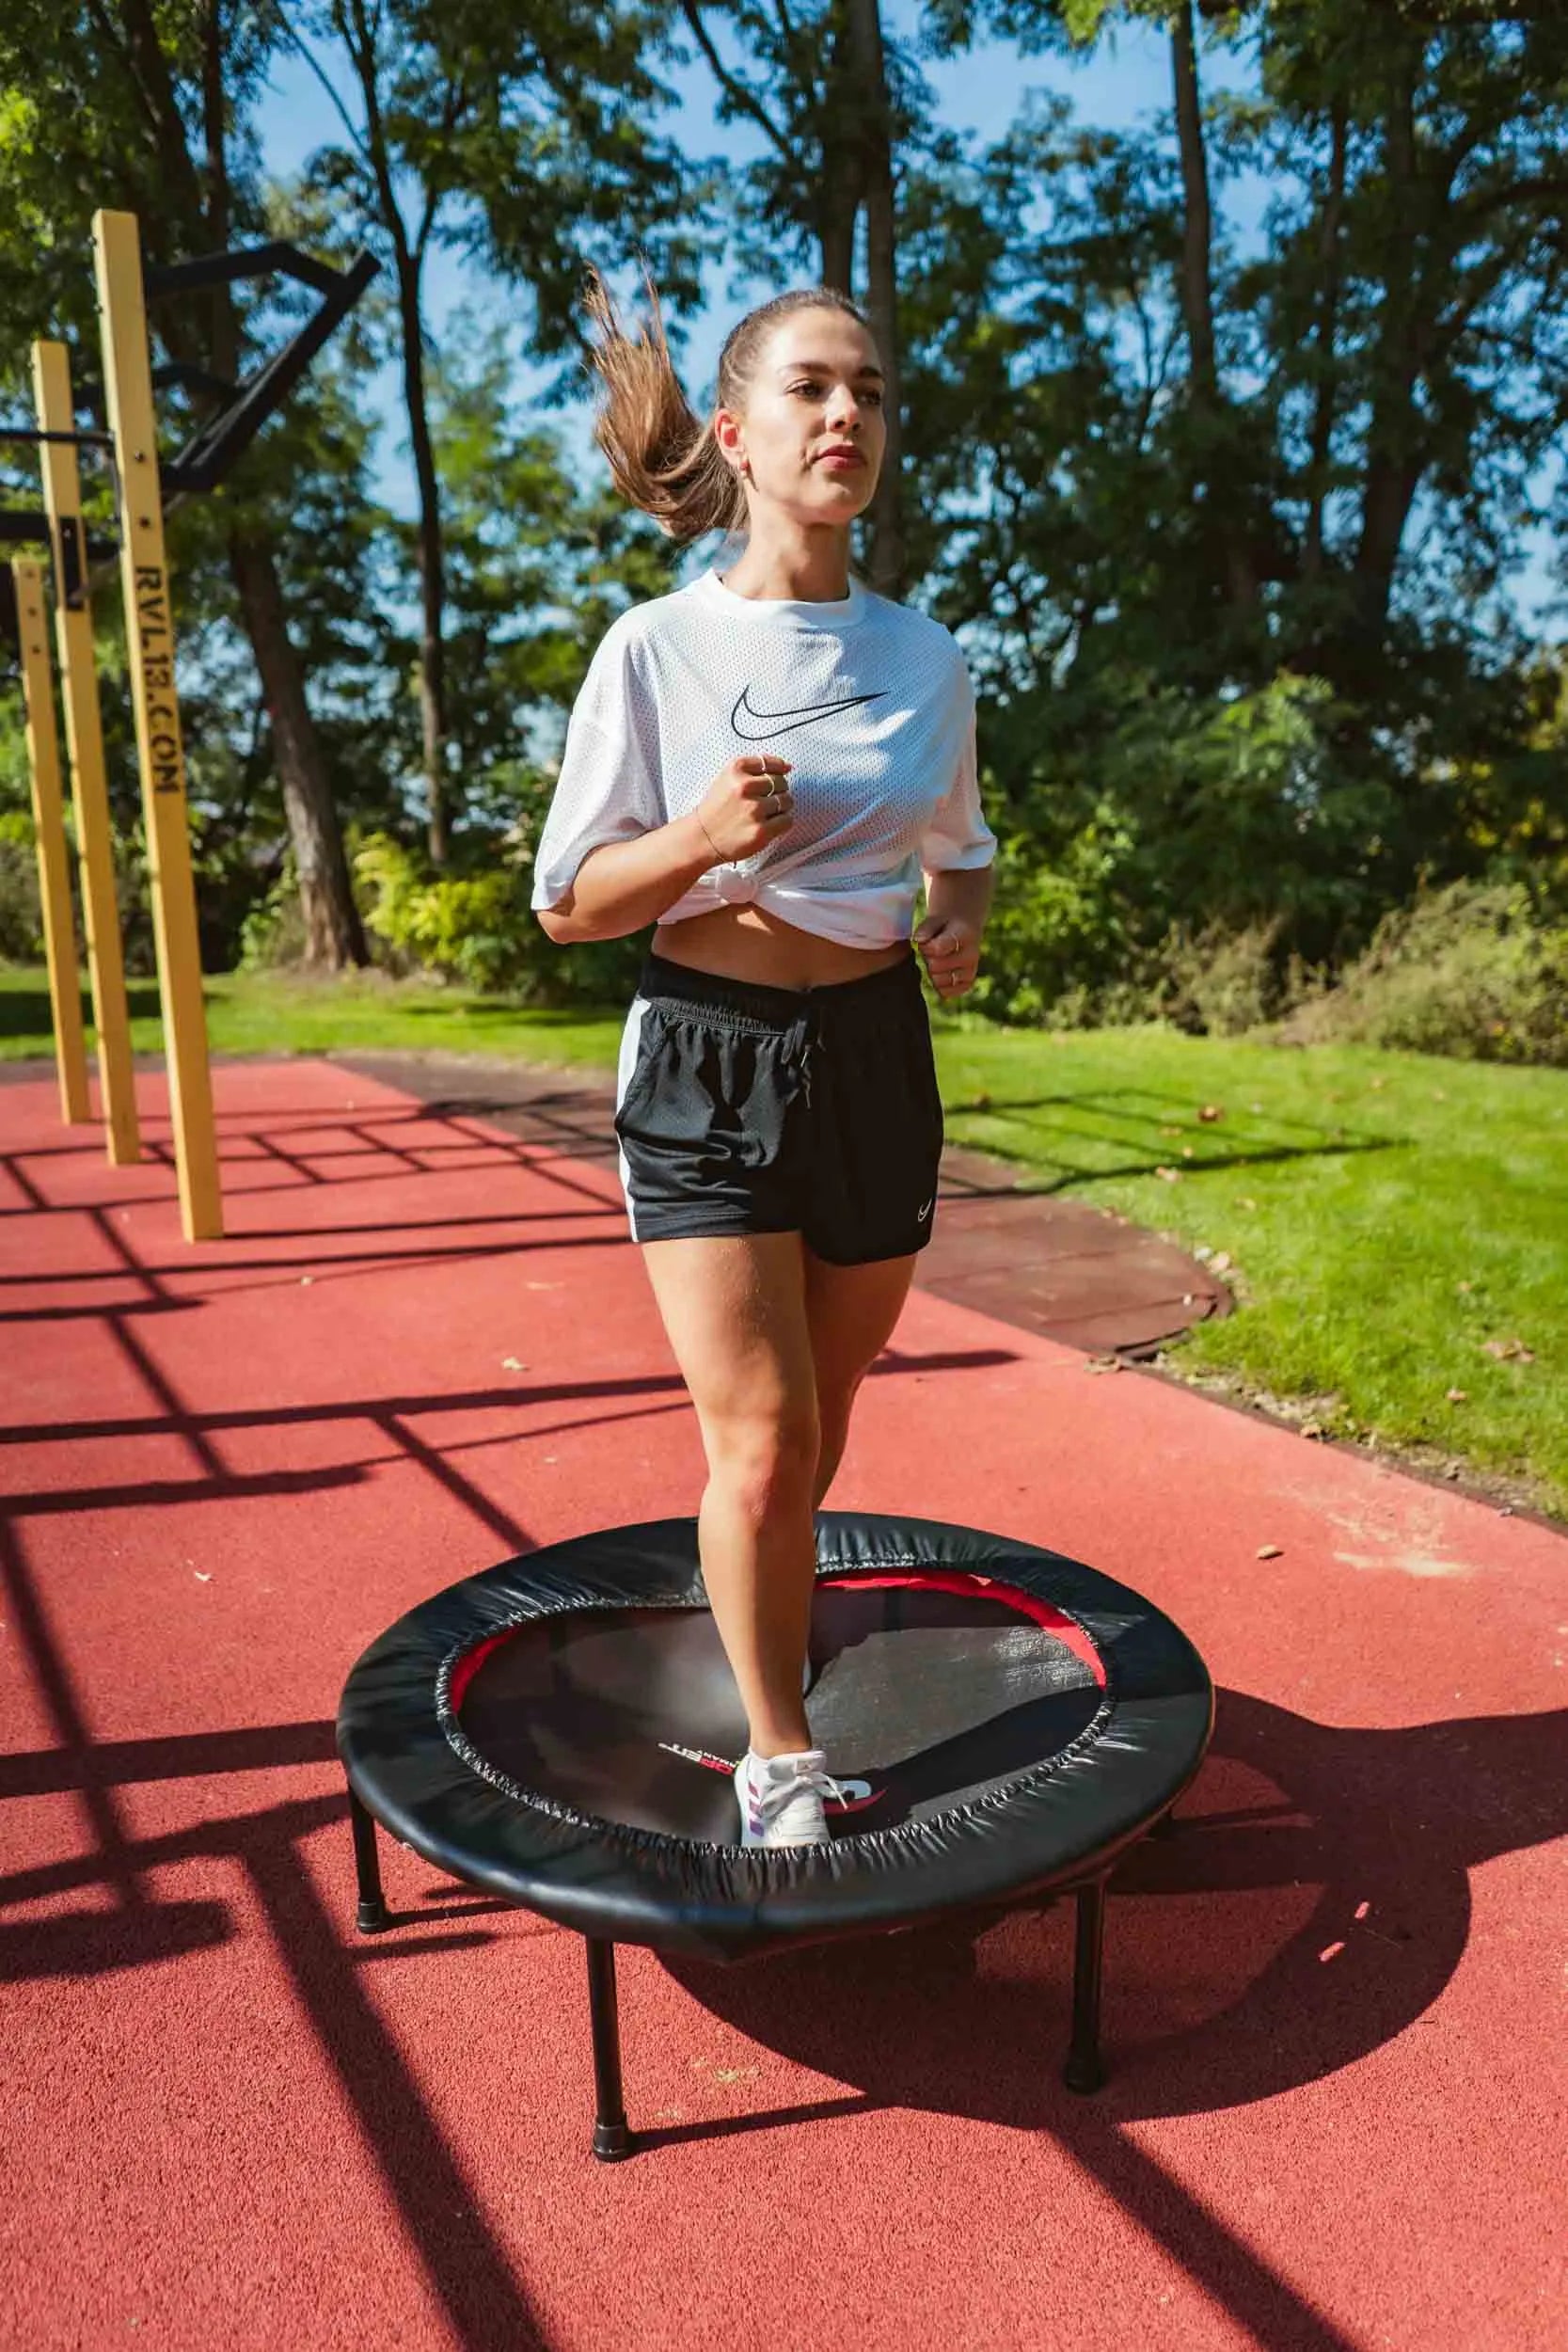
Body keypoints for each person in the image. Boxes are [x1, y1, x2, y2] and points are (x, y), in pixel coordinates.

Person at [531, 264, 997, 1849]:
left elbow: (963, 840)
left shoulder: (929, 657)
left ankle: (756, 1586)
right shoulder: (653, 650)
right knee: (767, 1430)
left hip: (875, 1051)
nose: (847, 413)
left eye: (867, 389)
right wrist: (701, 840)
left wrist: (958, 919)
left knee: (828, 1401)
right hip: (708, 1051)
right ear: (735, 432)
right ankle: (780, 1755)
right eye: (810, 387)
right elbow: (571, 903)